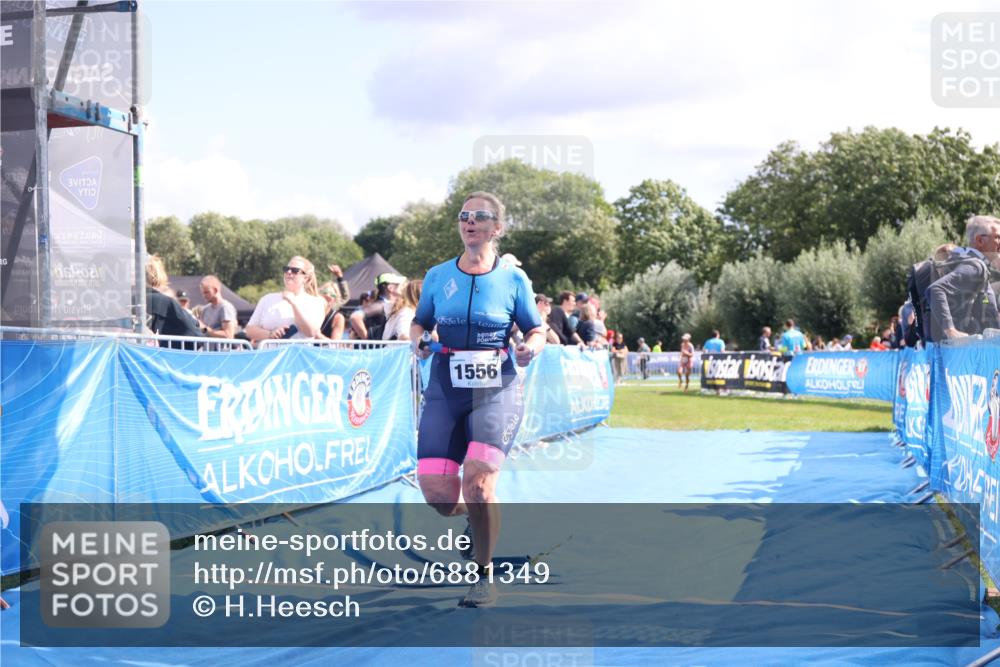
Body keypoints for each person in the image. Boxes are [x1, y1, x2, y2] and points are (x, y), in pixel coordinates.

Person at [410, 191, 545, 608]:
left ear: (496, 228)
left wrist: (531, 348)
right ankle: (477, 515)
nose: (470, 222)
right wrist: (418, 342)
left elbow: (536, 329)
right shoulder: (436, 276)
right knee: (438, 494)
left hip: (496, 388)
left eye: (480, 216)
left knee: (480, 482)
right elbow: (419, 323)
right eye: (464, 216)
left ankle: (484, 575)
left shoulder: (512, 279)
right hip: (446, 389)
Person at [928, 215, 1000, 341]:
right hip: (965, 353)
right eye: (997, 237)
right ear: (979, 241)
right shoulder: (975, 266)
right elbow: (936, 289)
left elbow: (984, 308)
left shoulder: (972, 264)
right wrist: (951, 331)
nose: (999, 242)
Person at [244, 256, 325, 346]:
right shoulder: (267, 299)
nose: (289, 272)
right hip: (270, 357)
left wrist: (294, 304)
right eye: (286, 269)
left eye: (295, 270)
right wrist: (270, 334)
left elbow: (311, 332)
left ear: (306, 278)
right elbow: (249, 330)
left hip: (299, 358)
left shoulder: (316, 302)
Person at [145, 255, 204, 347]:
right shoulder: (166, 303)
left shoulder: (121, 302)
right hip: (160, 358)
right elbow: (197, 336)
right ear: (159, 274)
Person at [350, 272, 405, 340]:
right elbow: (355, 317)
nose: (403, 287)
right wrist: (367, 338)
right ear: (390, 288)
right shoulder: (380, 305)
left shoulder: (386, 305)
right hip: (375, 349)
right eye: (400, 285)